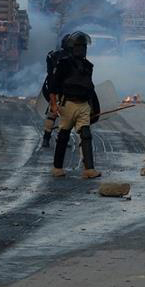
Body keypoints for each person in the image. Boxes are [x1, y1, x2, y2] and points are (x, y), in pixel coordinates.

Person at [50, 31, 101, 179]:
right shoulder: (63, 64)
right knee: (64, 135)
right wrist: (54, 104)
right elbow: (54, 86)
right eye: (78, 46)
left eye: (83, 46)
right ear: (72, 48)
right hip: (68, 104)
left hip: (84, 104)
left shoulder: (88, 66)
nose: (81, 49)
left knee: (86, 135)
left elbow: (90, 88)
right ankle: (57, 167)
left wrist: (93, 108)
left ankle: (89, 169)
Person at [41, 34, 71, 148]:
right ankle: (60, 139)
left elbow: (50, 73)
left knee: (52, 114)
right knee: (66, 116)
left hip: (54, 88)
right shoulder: (72, 58)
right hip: (65, 91)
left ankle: (46, 139)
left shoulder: (53, 55)